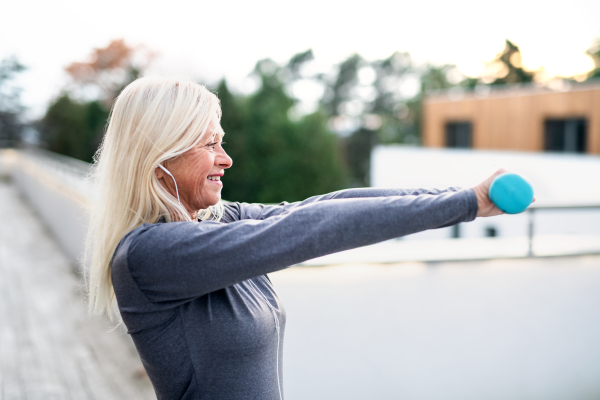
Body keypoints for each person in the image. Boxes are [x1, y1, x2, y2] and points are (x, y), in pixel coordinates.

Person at [86, 76, 504, 400]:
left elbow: (316, 207)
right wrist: (465, 205)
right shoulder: (150, 256)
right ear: (161, 157)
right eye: (209, 144)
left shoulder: (214, 222)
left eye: (222, 142)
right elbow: (308, 229)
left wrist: (463, 197)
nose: (226, 158)